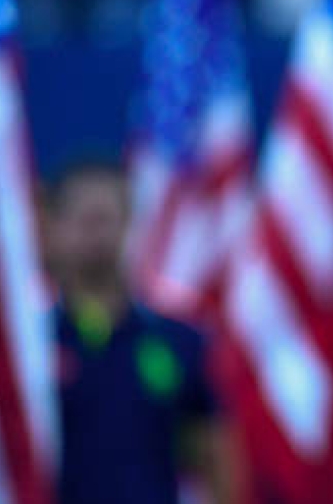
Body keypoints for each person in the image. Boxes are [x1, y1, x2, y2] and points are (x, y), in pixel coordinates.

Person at [45, 160, 237, 504]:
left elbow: (216, 456)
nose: (96, 233)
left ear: (129, 223)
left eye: (106, 218)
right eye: (83, 219)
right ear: (54, 228)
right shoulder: (32, 348)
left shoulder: (179, 341)